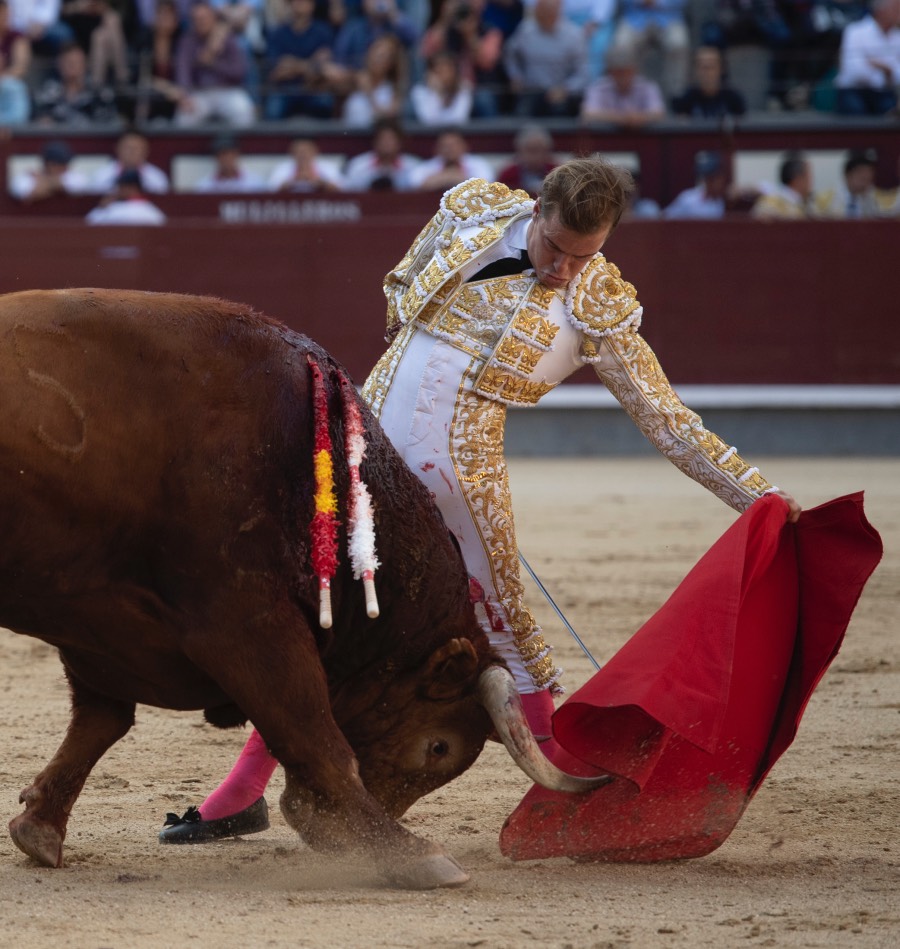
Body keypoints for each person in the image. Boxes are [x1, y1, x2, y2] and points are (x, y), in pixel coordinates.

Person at [158, 154, 801, 843]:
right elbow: (399, 294)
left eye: (583, 258)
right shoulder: (470, 213)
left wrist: (758, 495)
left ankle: (575, 786)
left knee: (505, 630)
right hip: (360, 451)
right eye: (555, 248)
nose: (563, 270)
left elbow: (669, 421)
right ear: (537, 212)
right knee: (316, 615)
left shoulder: (598, 305)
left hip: (459, 484)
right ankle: (243, 792)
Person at [173, 0, 256, 126]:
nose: (200, 22)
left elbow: (239, 72)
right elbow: (182, 70)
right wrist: (185, 95)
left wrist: (213, 64)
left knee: (243, 110)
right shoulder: (188, 40)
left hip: (227, 90)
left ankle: (234, 146)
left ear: (213, 18)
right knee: (184, 118)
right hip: (200, 92)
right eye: (196, 19)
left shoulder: (228, 38)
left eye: (204, 18)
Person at [503, 0, 589, 118]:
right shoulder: (525, 31)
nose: (544, 16)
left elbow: (583, 75)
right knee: (519, 117)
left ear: (558, 12)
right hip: (530, 92)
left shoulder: (574, 36)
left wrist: (566, 89)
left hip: (560, 96)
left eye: (548, 13)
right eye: (541, 12)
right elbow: (510, 55)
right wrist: (515, 76)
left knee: (560, 116)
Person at [262, 0, 337, 120]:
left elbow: (324, 69)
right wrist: (310, 64)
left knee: (325, 101)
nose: (300, 4)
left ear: (312, 5)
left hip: (313, 88)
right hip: (285, 89)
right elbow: (276, 72)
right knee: (273, 108)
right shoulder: (278, 33)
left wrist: (293, 65)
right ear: (289, 4)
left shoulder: (323, 31)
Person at [611, 0, 691, 99]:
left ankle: (676, 97)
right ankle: (633, 97)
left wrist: (659, 2)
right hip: (634, 18)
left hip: (669, 18)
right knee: (621, 44)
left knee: (678, 44)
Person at [834, 0, 900, 116]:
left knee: (891, 112)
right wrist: (887, 72)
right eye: (896, 9)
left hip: (883, 93)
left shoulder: (897, 37)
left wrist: (883, 68)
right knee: (855, 111)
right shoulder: (855, 31)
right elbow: (855, 72)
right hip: (853, 91)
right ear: (881, 11)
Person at [31, 39, 118, 125]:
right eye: (67, 62)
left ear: (85, 63)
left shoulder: (100, 94)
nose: (71, 66)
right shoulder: (48, 92)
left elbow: (107, 125)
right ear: (59, 64)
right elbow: (39, 119)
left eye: (75, 62)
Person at [579, 43, 666, 127]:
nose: (623, 76)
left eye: (627, 70)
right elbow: (587, 114)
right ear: (610, 71)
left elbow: (659, 113)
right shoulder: (598, 88)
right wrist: (622, 118)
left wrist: (640, 118)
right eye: (618, 71)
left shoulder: (648, 87)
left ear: (635, 69)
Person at [339, 31, 407, 126]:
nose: (377, 60)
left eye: (383, 57)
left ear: (391, 63)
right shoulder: (353, 79)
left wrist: (370, 96)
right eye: (376, 53)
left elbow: (389, 121)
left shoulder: (393, 91)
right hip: (347, 136)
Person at [341, 116, 421, 190]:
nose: (386, 143)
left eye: (391, 139)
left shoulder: (414, 167)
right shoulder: (358, 166)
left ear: (399, 143)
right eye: (382, 139)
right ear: (375, 142)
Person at [670, 44, 747, 120]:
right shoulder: (685, 100)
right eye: (702, 66)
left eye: (711, 66)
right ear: (695, 69)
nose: (706, 72)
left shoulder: (734, 99)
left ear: (721, 68)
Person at [407, 126, 495, 190]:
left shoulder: (479, 164)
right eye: (445, 146)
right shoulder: (425, 167)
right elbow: (414, 183)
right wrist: (452, 177)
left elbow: (487, 183)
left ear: (464, 146)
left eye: (454, 145)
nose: (449, 149)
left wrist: (442, 179)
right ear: (437, 148)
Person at [813, 147, 887, 218]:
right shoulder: (824, 200)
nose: (865, 176)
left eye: (870, 171)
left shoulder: (881, 199)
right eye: (860, 171)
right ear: (847, 174)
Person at [89, 129, 170, 195]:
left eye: (136, 148)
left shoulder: (157, 178)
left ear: (146, 150)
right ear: (117, 148)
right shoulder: (101, 176)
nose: (132, 152)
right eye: (128, 147)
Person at [8, 138, 89, 200]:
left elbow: (81, 184)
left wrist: (47, 183)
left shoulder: (71, 176)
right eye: (60, 164)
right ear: (49, 164)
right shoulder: (27, 178)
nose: (65, 168)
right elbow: (22, 190)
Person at [408, 48, 474, 124]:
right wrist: (437, 92)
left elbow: (459, 119)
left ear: (455, 71)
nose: (443, 74)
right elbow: (428, 121)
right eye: (438, 70)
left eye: (446, 69)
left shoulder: (464, 88)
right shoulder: (419, 91)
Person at [663, 149, 731, 219]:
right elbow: (665, 218)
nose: (709, 183)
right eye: (706, 178)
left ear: (722, 178)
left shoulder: (727, 199)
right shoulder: (688, 199)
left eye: (712, 179)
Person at [85, 167, 167, 224]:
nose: (119, 190)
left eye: (122, 187)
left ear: (134, 188)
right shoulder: (151, 210)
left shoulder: (148, 210)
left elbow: (90, 221)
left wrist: (101, 209)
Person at [496, 122, 557, 196]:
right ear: (519, 150)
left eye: (540, 150)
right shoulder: (507, 176)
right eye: (531, 151)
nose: (536, 157)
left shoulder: (557, 174)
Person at [191, 133, 266, 192]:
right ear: (216, 157)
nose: (226, 158)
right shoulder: (204, 186)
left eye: (230, 153)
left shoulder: (254, 183)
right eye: (222, 154)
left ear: (237, 154)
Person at [267, 136, 346, 192]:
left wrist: (321, 183)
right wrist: (293, 181)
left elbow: (343, 189)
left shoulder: (327, 167)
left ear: (315, 151)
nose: (303, 155)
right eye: (299, 151)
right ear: (292, 153)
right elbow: (269, 190)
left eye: (306, 151)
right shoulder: (282, 168)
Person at [750, 150, 814, 219]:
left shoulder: (807, 204)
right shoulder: (771, 203)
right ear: (798, 179)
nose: (811, 180)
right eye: (808, 176)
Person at [0, 0, 31, 125]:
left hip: (7, 84)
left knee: (15, 88)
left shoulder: (17, 37)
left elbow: (21, 67)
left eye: (6, 14)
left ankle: (13, 126)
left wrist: (2, 77)